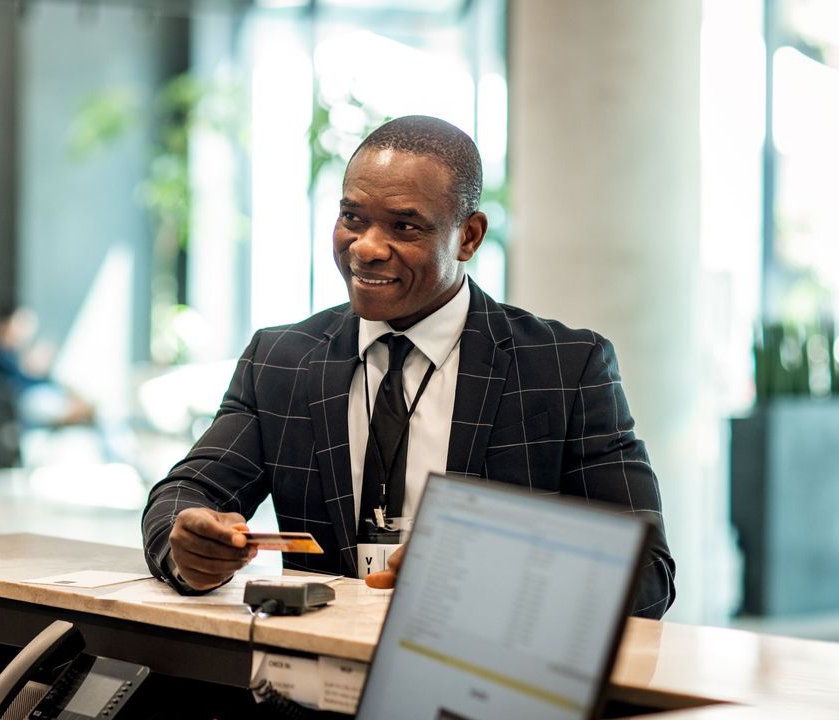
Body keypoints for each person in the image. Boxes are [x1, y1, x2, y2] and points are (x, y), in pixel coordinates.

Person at [141, 115, 676, 619]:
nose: (367, 248)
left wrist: (479, 572)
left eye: (404, 226)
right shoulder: (283, 360)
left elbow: (647, 573)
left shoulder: (563, 369)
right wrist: (188, 544)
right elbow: (187, 494)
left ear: (468, 237)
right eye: (352, 217)